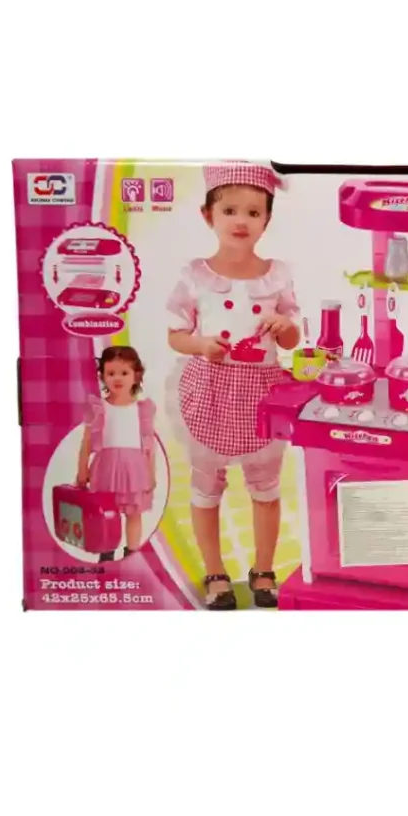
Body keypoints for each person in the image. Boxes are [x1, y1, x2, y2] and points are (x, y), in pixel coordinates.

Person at [165, 163, 300, 609]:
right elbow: (175, 334)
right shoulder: (195, 274)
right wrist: (201, 344)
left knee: (266, 486)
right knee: (206, 487)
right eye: (229, 210)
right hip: (211, 390)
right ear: (208, 216)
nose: (241, 221)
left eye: (253, 212)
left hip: (262, 392)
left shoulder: (277, 275)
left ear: (267, 220)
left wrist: (284, 326)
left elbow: (292, 340)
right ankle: (214, 571)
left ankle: (263, 568)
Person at [76, 345, 157, 562]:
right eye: (111, 373)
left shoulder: (142, 409)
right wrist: (82, 469)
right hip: (106, 468)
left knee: (134, 513)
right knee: (105, 515)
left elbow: (149, 445)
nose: (117, 378)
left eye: (124, 372)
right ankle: (106, 553)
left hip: (134, 469)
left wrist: (151, 473)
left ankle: (132, 554)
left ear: (136, 375)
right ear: (102, 376)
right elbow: (86, 441)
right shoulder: (98, 407)